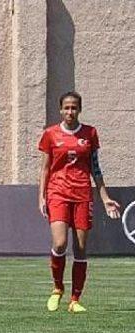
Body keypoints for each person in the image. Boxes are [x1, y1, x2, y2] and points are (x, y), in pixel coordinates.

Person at [38, 91, 121, 313]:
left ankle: (75, 299)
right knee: (59, 243)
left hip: (82, 194)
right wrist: (42, 196)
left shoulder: (90, 133)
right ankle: (57, 289)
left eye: (74, 108)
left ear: (79, 109)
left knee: (81, 249)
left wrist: (105, 199)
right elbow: (45, 169)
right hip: (58, 193)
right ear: (60, 110)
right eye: (66, 107)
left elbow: (95, 168)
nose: (70, 111)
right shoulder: (50, 134)